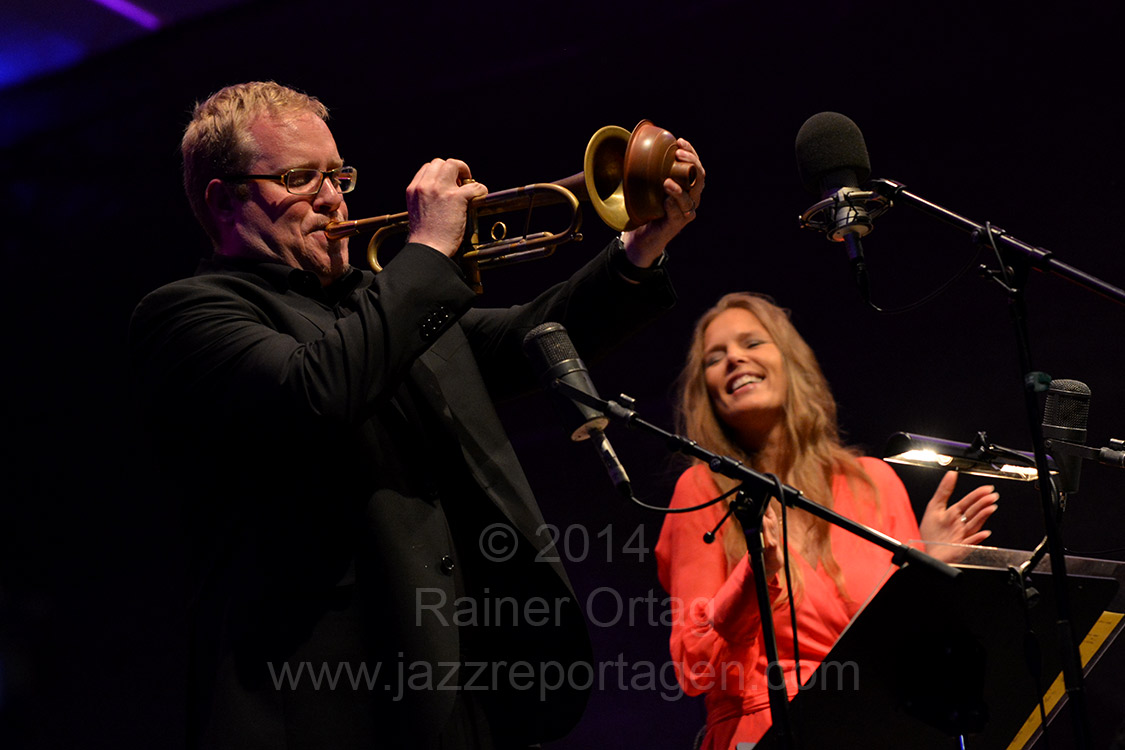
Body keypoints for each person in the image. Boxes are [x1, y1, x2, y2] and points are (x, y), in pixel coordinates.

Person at [128, 81, 705, 749]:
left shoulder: (380, 305)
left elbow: (534, 337)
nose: (330, 197)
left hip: (461, 699)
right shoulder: (188, 315)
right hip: (323, 708)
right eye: (297, 177)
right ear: (223, 199)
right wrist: (427, 254)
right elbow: (314, 390)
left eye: (336, 174)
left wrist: (641, 247)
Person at [654, 292, 998, 750]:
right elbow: (694, 668)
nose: (734, 358)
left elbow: (900, 649)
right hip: (768, 732)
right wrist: (755, 575)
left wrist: (924, 563)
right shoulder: (702, 490)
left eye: (752, 343)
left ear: (791, 362)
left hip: (879, 727)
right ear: (708, 393)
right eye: (715, 358)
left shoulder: (872, 480)